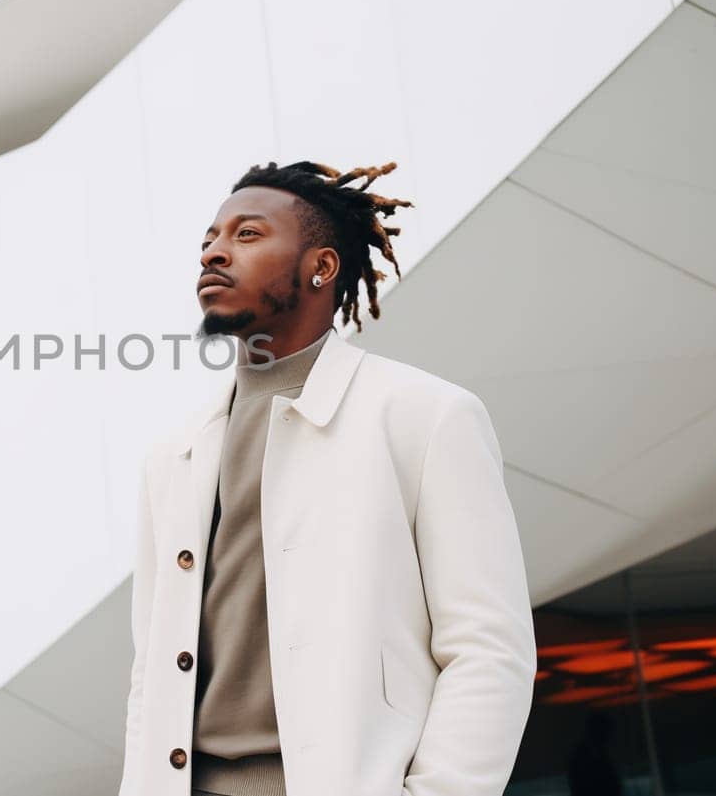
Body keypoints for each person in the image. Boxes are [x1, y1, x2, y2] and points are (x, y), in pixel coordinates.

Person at [118, 160, 537, 796]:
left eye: (248, 235)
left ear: (321, 266)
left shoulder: (425, 417)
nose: (215, 253)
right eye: (209, 239)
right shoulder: (172, 457)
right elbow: (152, 670)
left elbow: (488, 649)